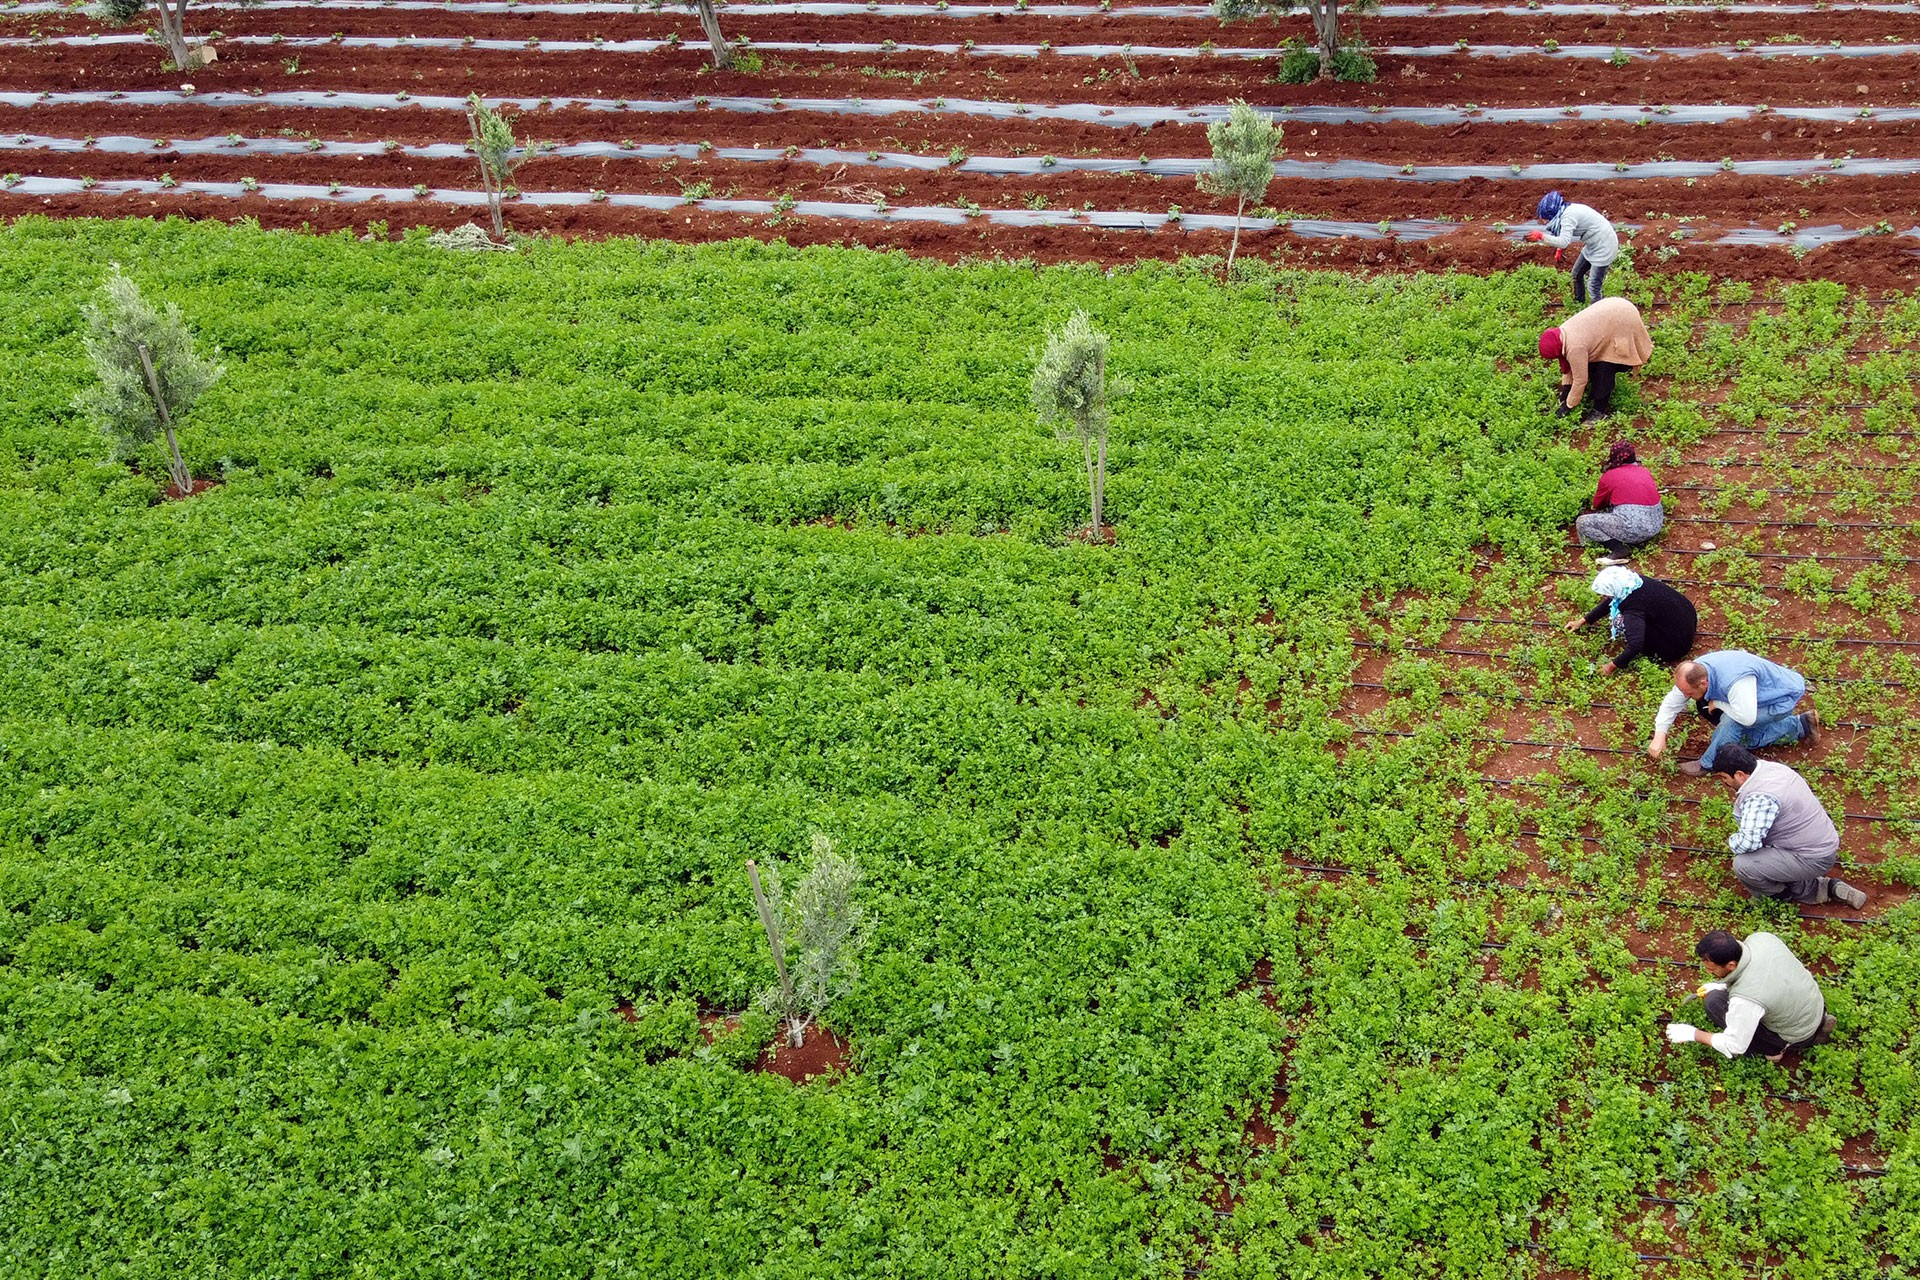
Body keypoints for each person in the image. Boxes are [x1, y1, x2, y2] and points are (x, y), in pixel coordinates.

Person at [1709, 745, 1864, 907]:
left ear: (1740, 775)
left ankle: (1784, 895)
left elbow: (1749, 842)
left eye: (1724, 778)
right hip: (1820, 844)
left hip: (1812, 857)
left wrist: (1730, 842)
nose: (1724, 783)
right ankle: (1827, 887)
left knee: (1744, 865)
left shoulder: (1760, 798)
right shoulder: (1772, 769)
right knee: (1765, 856)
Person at [1665, 930, 1837, 1065]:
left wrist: (1692, 1034)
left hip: (1797, 1033)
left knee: (1713, 1003)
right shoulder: (1762, 939)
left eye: (1712, 970)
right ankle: (1818, 1024)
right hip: (1813, 1005)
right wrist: (1724, 984)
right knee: (1724, 996)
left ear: (1731, 965)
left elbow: (1735, 1045)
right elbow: (1765, 975)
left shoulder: (1746, 999)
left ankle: (1775, 1050)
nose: (1709, 973)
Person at [1645, 649, 1821, 775]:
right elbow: (1671, 703)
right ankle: (1802, 725)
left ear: (1703, 683)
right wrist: (1660, 735)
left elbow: (1747, 717)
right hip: (1755, 695)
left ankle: (1708, 763)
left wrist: (1720, 703)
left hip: (1780, 699)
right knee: (1733, 729)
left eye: (1689, 693)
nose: (1685, 696)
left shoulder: (1734, 682)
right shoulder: (1697, 672)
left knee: (1734, 725)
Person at [1539, 296, 1653, 422]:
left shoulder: (1575, 347)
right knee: (1592, 365)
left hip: (1622, 320)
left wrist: (1568, 405)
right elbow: (1569, 367)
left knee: (1605, 369)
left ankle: (1600, 410)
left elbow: (1580, 379)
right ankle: (1593, 396)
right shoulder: (1561, 334)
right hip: (1613, 309)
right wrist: (1565, 392)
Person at [1565, 565, 1696, 673]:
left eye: (1606, 593)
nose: (1605, 596)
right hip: (1686, 621)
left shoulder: (1634, 609)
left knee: (1619, 622)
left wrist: (1611, 666)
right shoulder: (1634, 582)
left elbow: (1635, 645)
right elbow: (1612, 601)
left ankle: (1657, 649)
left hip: (1674, 646)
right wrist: (1583, 620)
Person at [1575, 441, 1663, 563]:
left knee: (1583, 522)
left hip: (1634, 527)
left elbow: (1598, 505)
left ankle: (1617, 548)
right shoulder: (1644, 471)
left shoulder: (1609, 476)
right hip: (1655, 524)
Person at [1525, 191, 1620, 304]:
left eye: (1547, 218)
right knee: (1576, 273)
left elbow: (1564, 241)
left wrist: (1541, 236)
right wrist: (1559, 249)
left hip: (1605, 246)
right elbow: (1564, 236)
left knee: (1594, 285)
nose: (1547, 221)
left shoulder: (1568, 217)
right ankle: (1579, 301)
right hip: (1594, 244)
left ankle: (1597, 312)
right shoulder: (1567, 210)